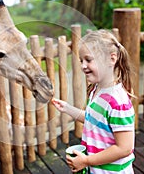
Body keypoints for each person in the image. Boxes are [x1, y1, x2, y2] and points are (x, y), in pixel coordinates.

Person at [52, 30, 135, 174]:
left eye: (88, 60)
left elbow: (125, 148)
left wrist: (86, 161)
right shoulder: (98, 90)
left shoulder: (117, 102)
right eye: (81, 61)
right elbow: (94, 120)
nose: (83, 66)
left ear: (112, 59)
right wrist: (67, 108)